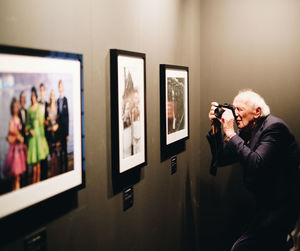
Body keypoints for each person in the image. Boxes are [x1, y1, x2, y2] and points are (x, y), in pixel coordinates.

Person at [207, 89, 300, 251]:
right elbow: (221, 159)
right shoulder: (247, 131)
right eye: (234, 109)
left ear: (257, 112)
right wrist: (216, 128)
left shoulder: (274, 128)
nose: (235, 114)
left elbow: (256, 164)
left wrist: (230, 133)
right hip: (265, 203)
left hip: (284, 204)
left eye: (240, 109)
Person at [26, 87, 49, 183]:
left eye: (34, 96)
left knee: (39, 162)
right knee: (34, 161)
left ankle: (38, 181)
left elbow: (42, 122)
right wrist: (29, 130)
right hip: (32, 137)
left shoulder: (40, 107)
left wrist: (43, 137)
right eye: (31, 97)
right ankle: (34, 182)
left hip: (39, 135)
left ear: (36, 96)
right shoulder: (29, 109)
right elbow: (27, 124)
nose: (32, 98)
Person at [3, 98, 27, 190]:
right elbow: (9, 138)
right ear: (12, 109)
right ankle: (15, 190)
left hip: (20, 149)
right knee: (15, 175)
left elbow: (20, 133)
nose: (16, 109)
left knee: (18, 176)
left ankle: (18, 189)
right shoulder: (12, 121)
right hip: (14, 151)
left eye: (17, 107)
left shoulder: (19, 119)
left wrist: (21, 138)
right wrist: (16, 137)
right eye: (14, 107)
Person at [46, 90, 59, 177]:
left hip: (56, 134)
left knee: (56, 155)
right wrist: (49, 126)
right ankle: (52, 175)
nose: (52, 97)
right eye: (51, 95)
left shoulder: (57, 108)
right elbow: (46, 121)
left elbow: (59, 120)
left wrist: (56, 126)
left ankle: (56, 174)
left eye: (53, 95)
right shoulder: (47, 108)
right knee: (51, 155)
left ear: (54, 97)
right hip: (50, 134)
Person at [57, 80, 69, 173]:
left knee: (65, 150)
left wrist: (68, 134)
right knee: (60, 151)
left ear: (63, 88)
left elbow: (67, 117)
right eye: (59, 86)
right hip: (59, 130)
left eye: (61, 86)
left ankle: (66, 169)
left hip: (64, 130)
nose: (60, 88)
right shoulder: (57, 101)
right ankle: (61, 170)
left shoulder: (65, 100)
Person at [39, 83, 49, 180]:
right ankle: (41, 177)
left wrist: (48, 122)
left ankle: (45, 177)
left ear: (45, 91)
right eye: (40, 90)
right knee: (40, 156)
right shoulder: (37, 104)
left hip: (46, 134)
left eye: (43, 90)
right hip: (39, 135)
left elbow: (50, 119)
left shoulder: (48, 104)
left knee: (46, 154)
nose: (42, 92)